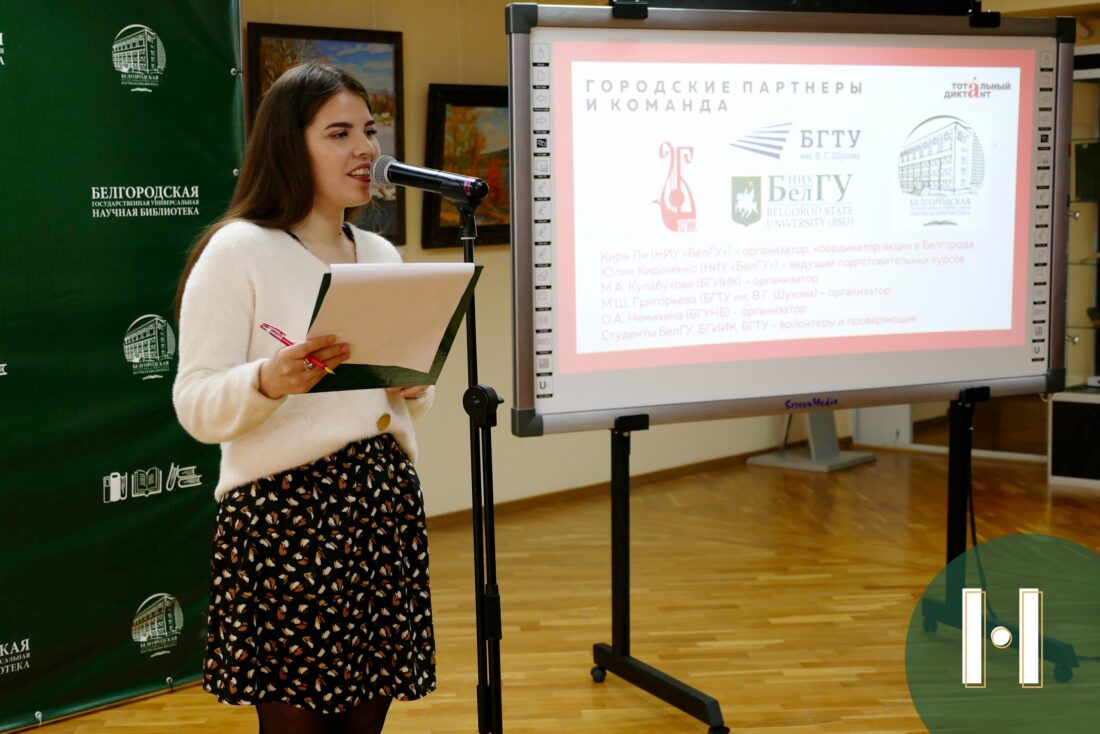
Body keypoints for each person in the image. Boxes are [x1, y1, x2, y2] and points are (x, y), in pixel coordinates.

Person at [173, 63, 435, 734]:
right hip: (286, 520)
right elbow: (196, 402)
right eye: (339, 133)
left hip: (382, 511)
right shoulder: (239, 250)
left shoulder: (380, 254)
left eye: (369, 131)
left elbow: (398, 399)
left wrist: (415, 385)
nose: (365, 149)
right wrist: (268, 381)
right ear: (290, 145)